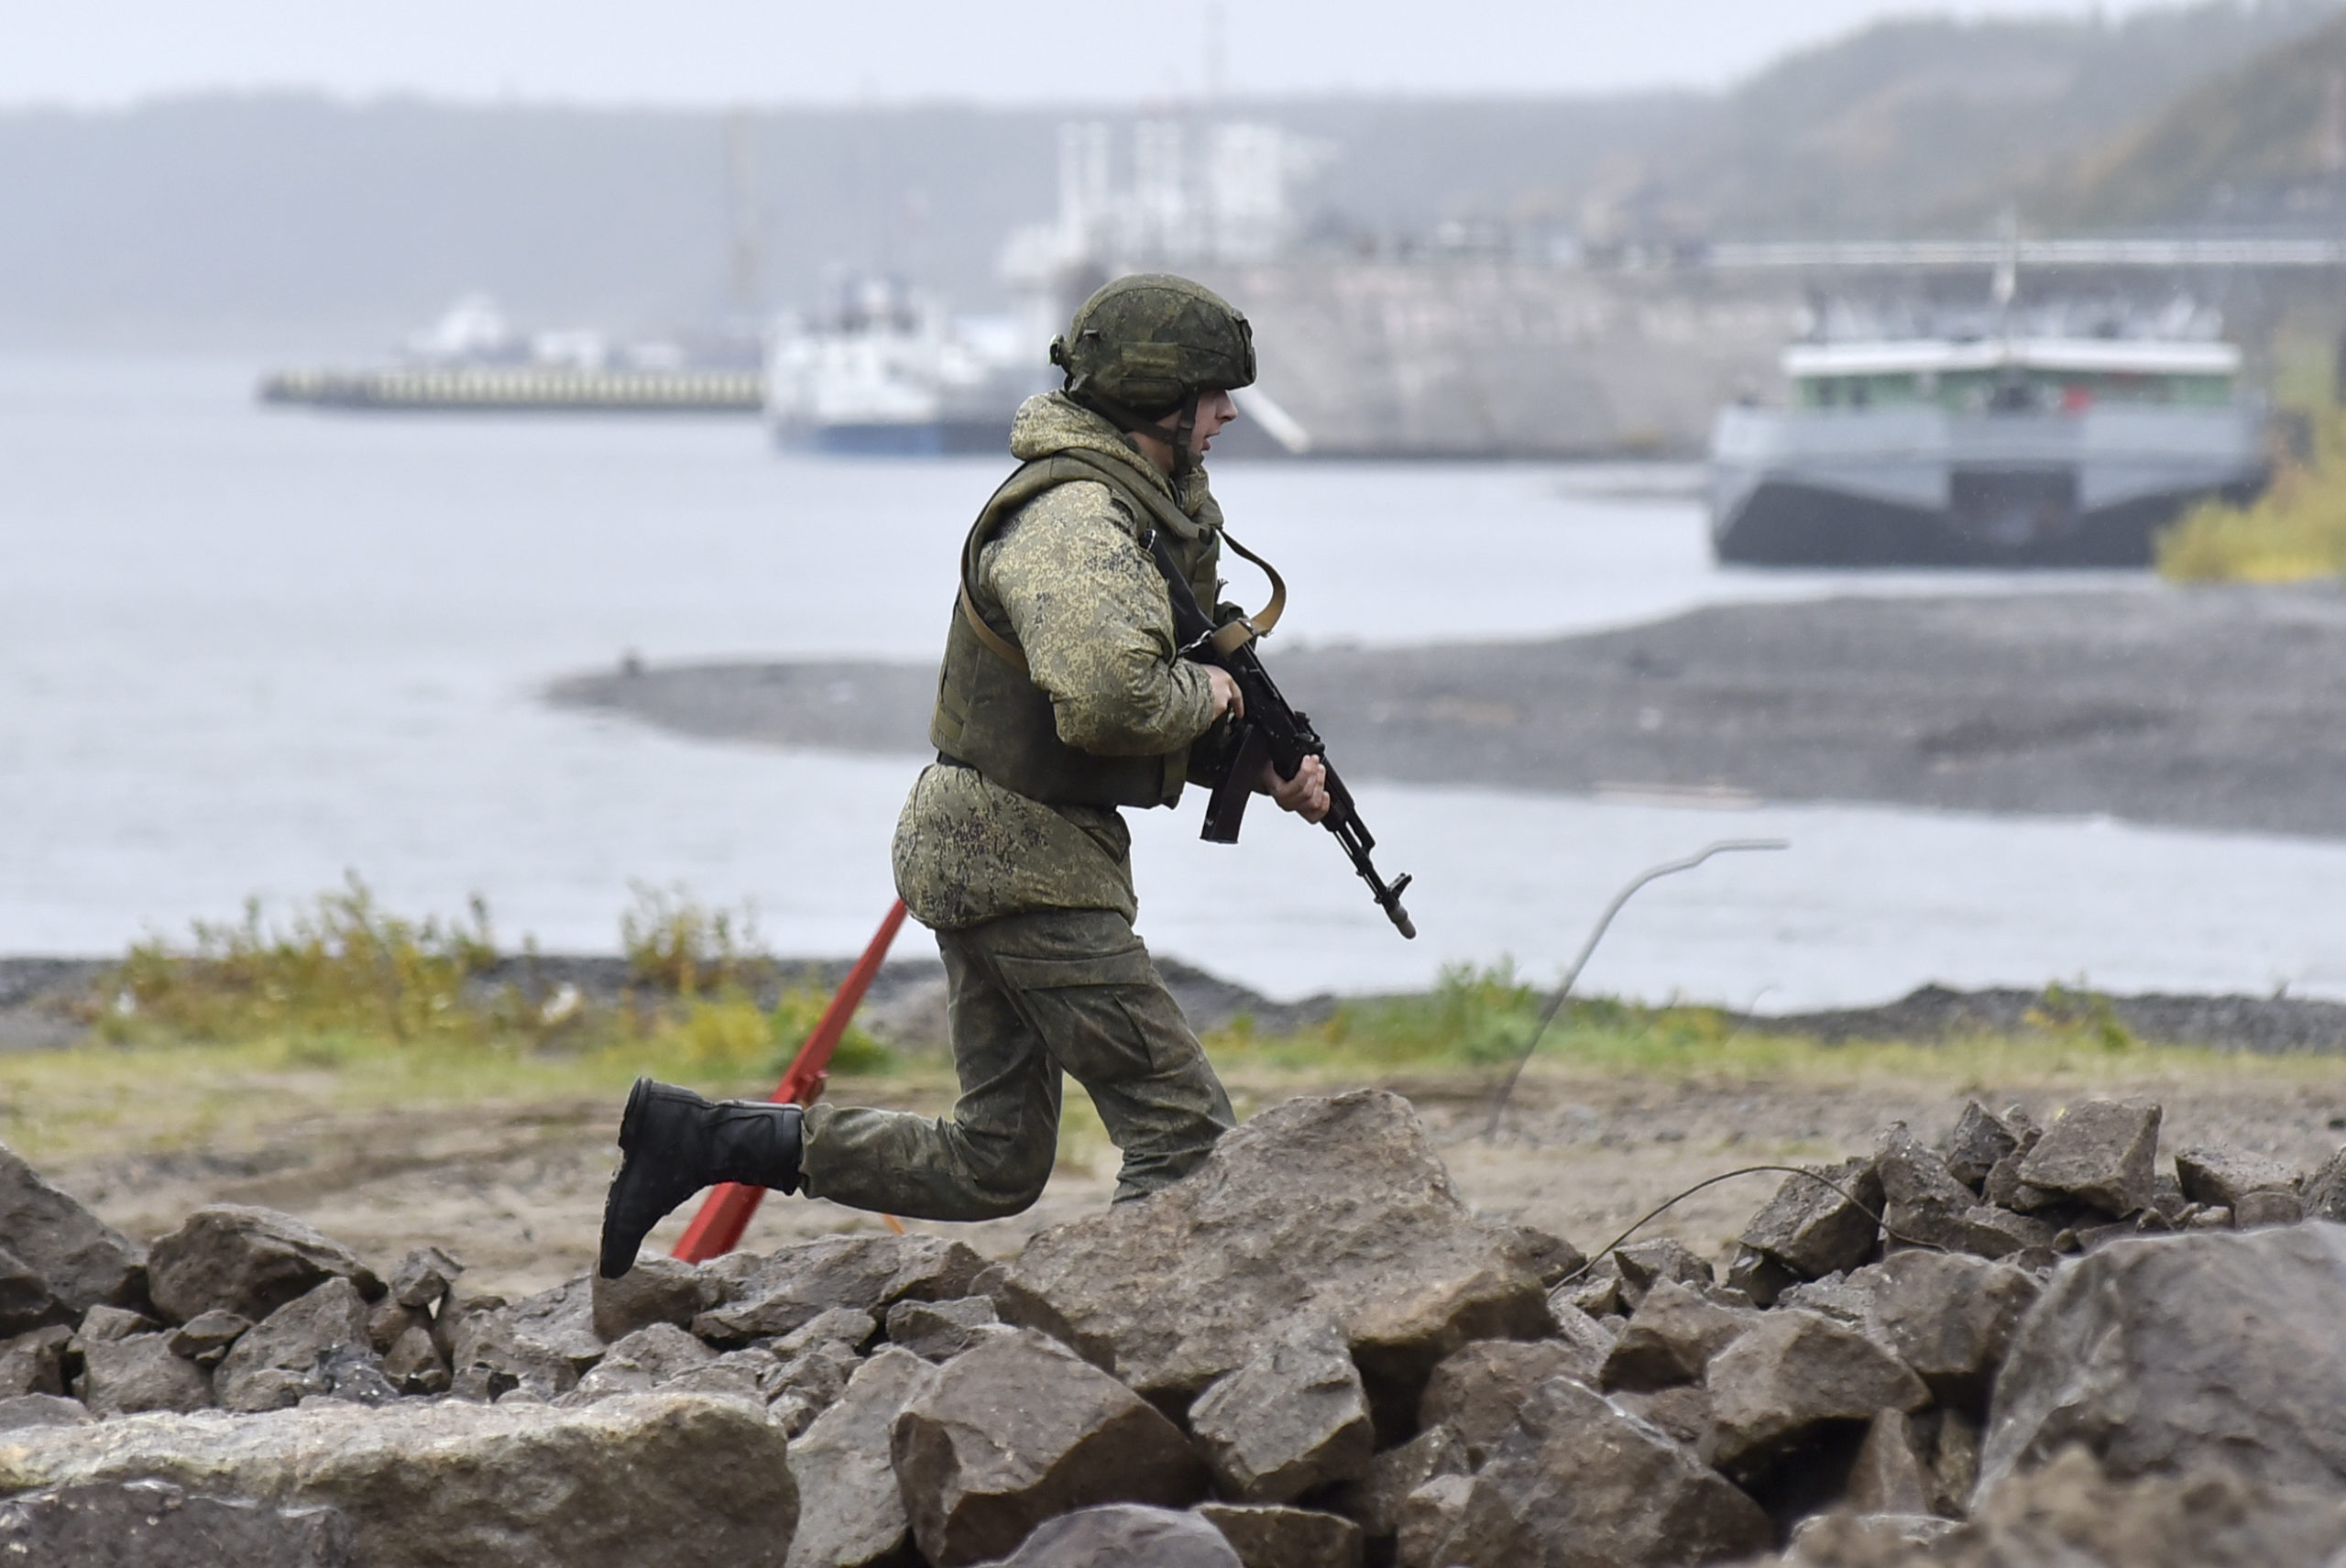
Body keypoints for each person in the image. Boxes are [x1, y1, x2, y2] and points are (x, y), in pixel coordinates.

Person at [597, 274, 1327, 1277]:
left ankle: (700, 1138)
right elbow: (1109, 700)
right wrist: (1211, 698)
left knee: (996, 1159)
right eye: (1213, 392)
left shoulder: (1130, 509)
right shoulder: (1077, 521)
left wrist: (1256, 764)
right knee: (1184, 1134)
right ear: (1156, 395)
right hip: (1023, 866)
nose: (1230, 412)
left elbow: (1099, 710)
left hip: (996, 849)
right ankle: (1139, 1332)